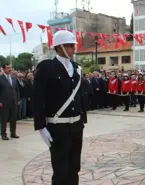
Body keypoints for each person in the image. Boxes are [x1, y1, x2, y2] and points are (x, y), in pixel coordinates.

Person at [33, 30, 87, 185]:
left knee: (74, 168)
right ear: (59, 47)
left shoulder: (77, 68)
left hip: (76, 126)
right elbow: (38, 98)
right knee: (60, 170)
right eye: (70, 45)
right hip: (57, 127)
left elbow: (78, 96)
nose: (73, 49)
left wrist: (82, 120)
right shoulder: (47, 67)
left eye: (73, 45)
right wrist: (41, 127)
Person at [0, 63, 20, 140]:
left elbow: (17, 90)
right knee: (4, 119)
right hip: (4, 102)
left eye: (10, 68)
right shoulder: (0, 78)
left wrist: (18, 99)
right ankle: (3, 134)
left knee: (13, 118)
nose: (10, 69)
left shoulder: (14, 78)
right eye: (8, 68)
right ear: (4, 69)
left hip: (14, 102)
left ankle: (13, 133)